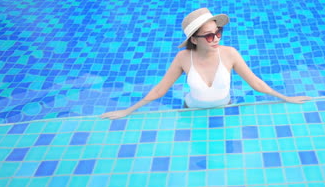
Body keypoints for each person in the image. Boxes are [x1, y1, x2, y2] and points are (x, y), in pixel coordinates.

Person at [101, 8, 311, 120]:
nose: (217, 39)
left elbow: (255, 83)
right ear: (194, 39)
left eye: (218, 32)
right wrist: (128, 110)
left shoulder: (230, 54)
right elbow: (159, 90)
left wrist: (286, 98)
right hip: (190, 111)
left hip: (224, 108)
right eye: (209, 36)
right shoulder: (183, 58)